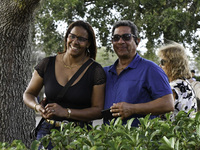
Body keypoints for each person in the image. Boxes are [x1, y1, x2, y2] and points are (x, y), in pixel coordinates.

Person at [23, 20, 106, 149]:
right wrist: (37, 107)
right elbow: (28, 94)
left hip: (79, 134)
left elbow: (98, 111)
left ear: (88, 43)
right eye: (72, 36)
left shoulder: (95, 71)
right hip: (47, 132)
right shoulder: (47, 64)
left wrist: (66, 112)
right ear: (67, 37)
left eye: (81, 39)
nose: (75, 42)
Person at [103, 20, 174, 127]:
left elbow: (168, 104)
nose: (120, 41)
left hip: (138, 141)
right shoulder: (105, 72)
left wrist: (132, 109)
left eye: (126, 37)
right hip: (108, 140)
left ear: (137, 41)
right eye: (116, 38)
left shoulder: (150, 69)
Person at [158, 42, 197, 120]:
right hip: (186, 131)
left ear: (173, 64)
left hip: (172, 131)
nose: (159, 66)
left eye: (163, 62)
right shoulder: (185, 83)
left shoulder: (173, 87)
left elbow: (159, 114)